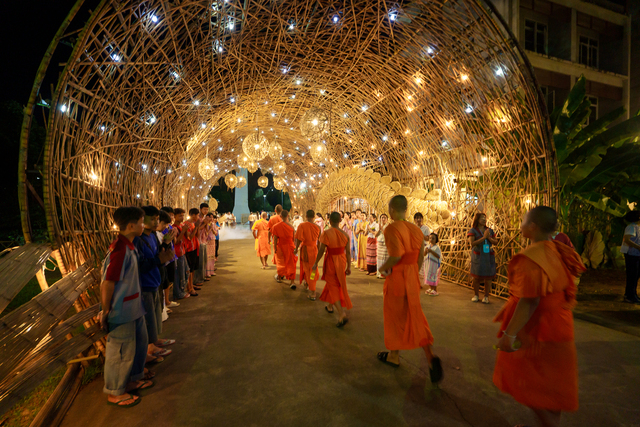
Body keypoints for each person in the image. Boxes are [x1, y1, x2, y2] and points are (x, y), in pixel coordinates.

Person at [494, 206, 585, 427]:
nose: (521, 225)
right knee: (550, 388)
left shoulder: (533, 257)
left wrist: (509, 334)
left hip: (539, 329)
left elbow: (529, 300)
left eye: (524, 220)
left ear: (533, 226)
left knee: (527, 382)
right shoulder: (556, 249)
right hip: (559, 325)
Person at [376, 195, 442, 383]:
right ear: (406, 209)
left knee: (394, 317)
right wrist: (414, 276)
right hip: (412, 278)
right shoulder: (416, 230)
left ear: (391, 210)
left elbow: (396, 256)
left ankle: (394, 355)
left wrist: (382, 268)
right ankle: (429, 356)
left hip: (397, 279)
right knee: (415, 316)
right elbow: (420, 257)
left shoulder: (391, 228)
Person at [100, 206, 150, 407]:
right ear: (131, 226)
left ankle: (130, 380)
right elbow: (108, 282)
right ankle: (115, 391)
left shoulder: (129, 246)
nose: (143, 225)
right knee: (120, 351)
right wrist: (106, 310)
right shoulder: (120, 250)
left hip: (133, 307)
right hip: (121, 310)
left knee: (137, 345)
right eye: (141, 222)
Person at [134, 206, 176, 360]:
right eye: (152, 219)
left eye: (157, 219)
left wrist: (166, 244)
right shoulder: (138, 241)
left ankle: (154, 340)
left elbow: (158, 253)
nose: (156, 222)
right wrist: (159, 259)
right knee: (148, 317)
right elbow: (140, 265)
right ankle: (150, 347)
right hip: (144, 284)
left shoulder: (152, 236)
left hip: (155, 280)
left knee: (155, 315)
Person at [312, 212, 352, 327]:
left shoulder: (326, 233)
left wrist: (316, 262)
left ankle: (341, 313)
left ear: (329, 221)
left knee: (332, 284)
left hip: (331, 261)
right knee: (335, 282)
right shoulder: (345, 234)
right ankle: (330, 306)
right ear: (340, 221)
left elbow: (321, 250)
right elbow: (348, 252)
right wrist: (349, 266)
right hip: (342, 261)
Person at [467, 212, 498, 303]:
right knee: (476, 277)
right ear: (477, 219)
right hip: (478, 256)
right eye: (481, 218)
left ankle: (486, 296)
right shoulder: (473, 230)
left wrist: (488, 238)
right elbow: (472, 243)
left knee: (488, 277)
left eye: (485, 218)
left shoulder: (489, 230)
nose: (484, 219)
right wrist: (484, 238)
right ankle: (476, 295)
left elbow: (496, 242)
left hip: (488, 256)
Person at [295, 210, 321, 300]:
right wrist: (319, 252)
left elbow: (298, 239)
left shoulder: (302, 226)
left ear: (306, 216)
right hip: (314, 250)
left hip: (305, 249)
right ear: (314, 217)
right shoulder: (318, 227)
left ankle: (313, 291)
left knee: (307, 268)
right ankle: (307, 282)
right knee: (313, 269)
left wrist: (296, 249)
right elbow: (319, 242)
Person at [159, 206, 180, 308]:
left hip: (171, 256)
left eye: (172, 215)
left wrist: (174, 234)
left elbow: (174, 242)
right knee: (164, 281)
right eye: (169, 215)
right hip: (164, 258)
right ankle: (164, 304)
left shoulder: (170, 227)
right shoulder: (160, 230)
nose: (171, 217)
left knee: (169, 280)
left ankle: (167, 301)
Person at [272, 210, 297, 289]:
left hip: (280, 246)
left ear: (281, 216)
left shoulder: (276, 226)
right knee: (291, 264)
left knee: (280, 263)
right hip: (290, 246)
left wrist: (275, 248)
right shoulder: (291, 226)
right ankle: (292, 282)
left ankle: (279, 277)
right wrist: (294, 248)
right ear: (288, 216)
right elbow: (294, 239)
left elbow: (275, 238)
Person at [621, 210, 640, 303]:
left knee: (635, 275)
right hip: (631, 254)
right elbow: (627, 240)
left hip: (636, 254)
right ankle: (630, 295)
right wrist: (638, 247)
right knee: (632, 275)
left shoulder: (636, 227)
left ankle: (632, 294)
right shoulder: (631, 227)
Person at [172, 208, 190, 300]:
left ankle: (181, 290)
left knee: (186, 271)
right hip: (177, 253)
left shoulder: (181, 226)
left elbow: (187, 237)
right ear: (174, 216)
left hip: (182, 251)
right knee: (179, 274)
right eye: (180, 216)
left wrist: (185, 230)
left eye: (183, 215)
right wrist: (183, 231)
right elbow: (176, 242)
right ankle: (178, 293)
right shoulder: (174, 227)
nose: (182, 217)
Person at [413, 212, 431, 284]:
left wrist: (420, 234)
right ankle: (415, 282)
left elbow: (428, 238)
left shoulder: (426, 228)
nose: (418, 220)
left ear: (422, 219)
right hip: (414, 248)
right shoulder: (413, 228)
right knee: (415, 265)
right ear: (414, 220)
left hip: (423, 248)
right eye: (417, 218)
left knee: (422, 265)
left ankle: (420, 283)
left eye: (420, 218)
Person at [376, 214, 389, 279]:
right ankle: (379, 273)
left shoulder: (388, 226)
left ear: (387, 219)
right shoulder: (379, 225)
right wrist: (379, 230)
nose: (383, 219)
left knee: (384, 259)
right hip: (380, 244)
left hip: (385, 244)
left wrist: (382, 229)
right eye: (382, 218)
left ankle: (384, 274)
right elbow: (375, 235)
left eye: (384, 218)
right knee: (379, 259)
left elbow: (388, 235)